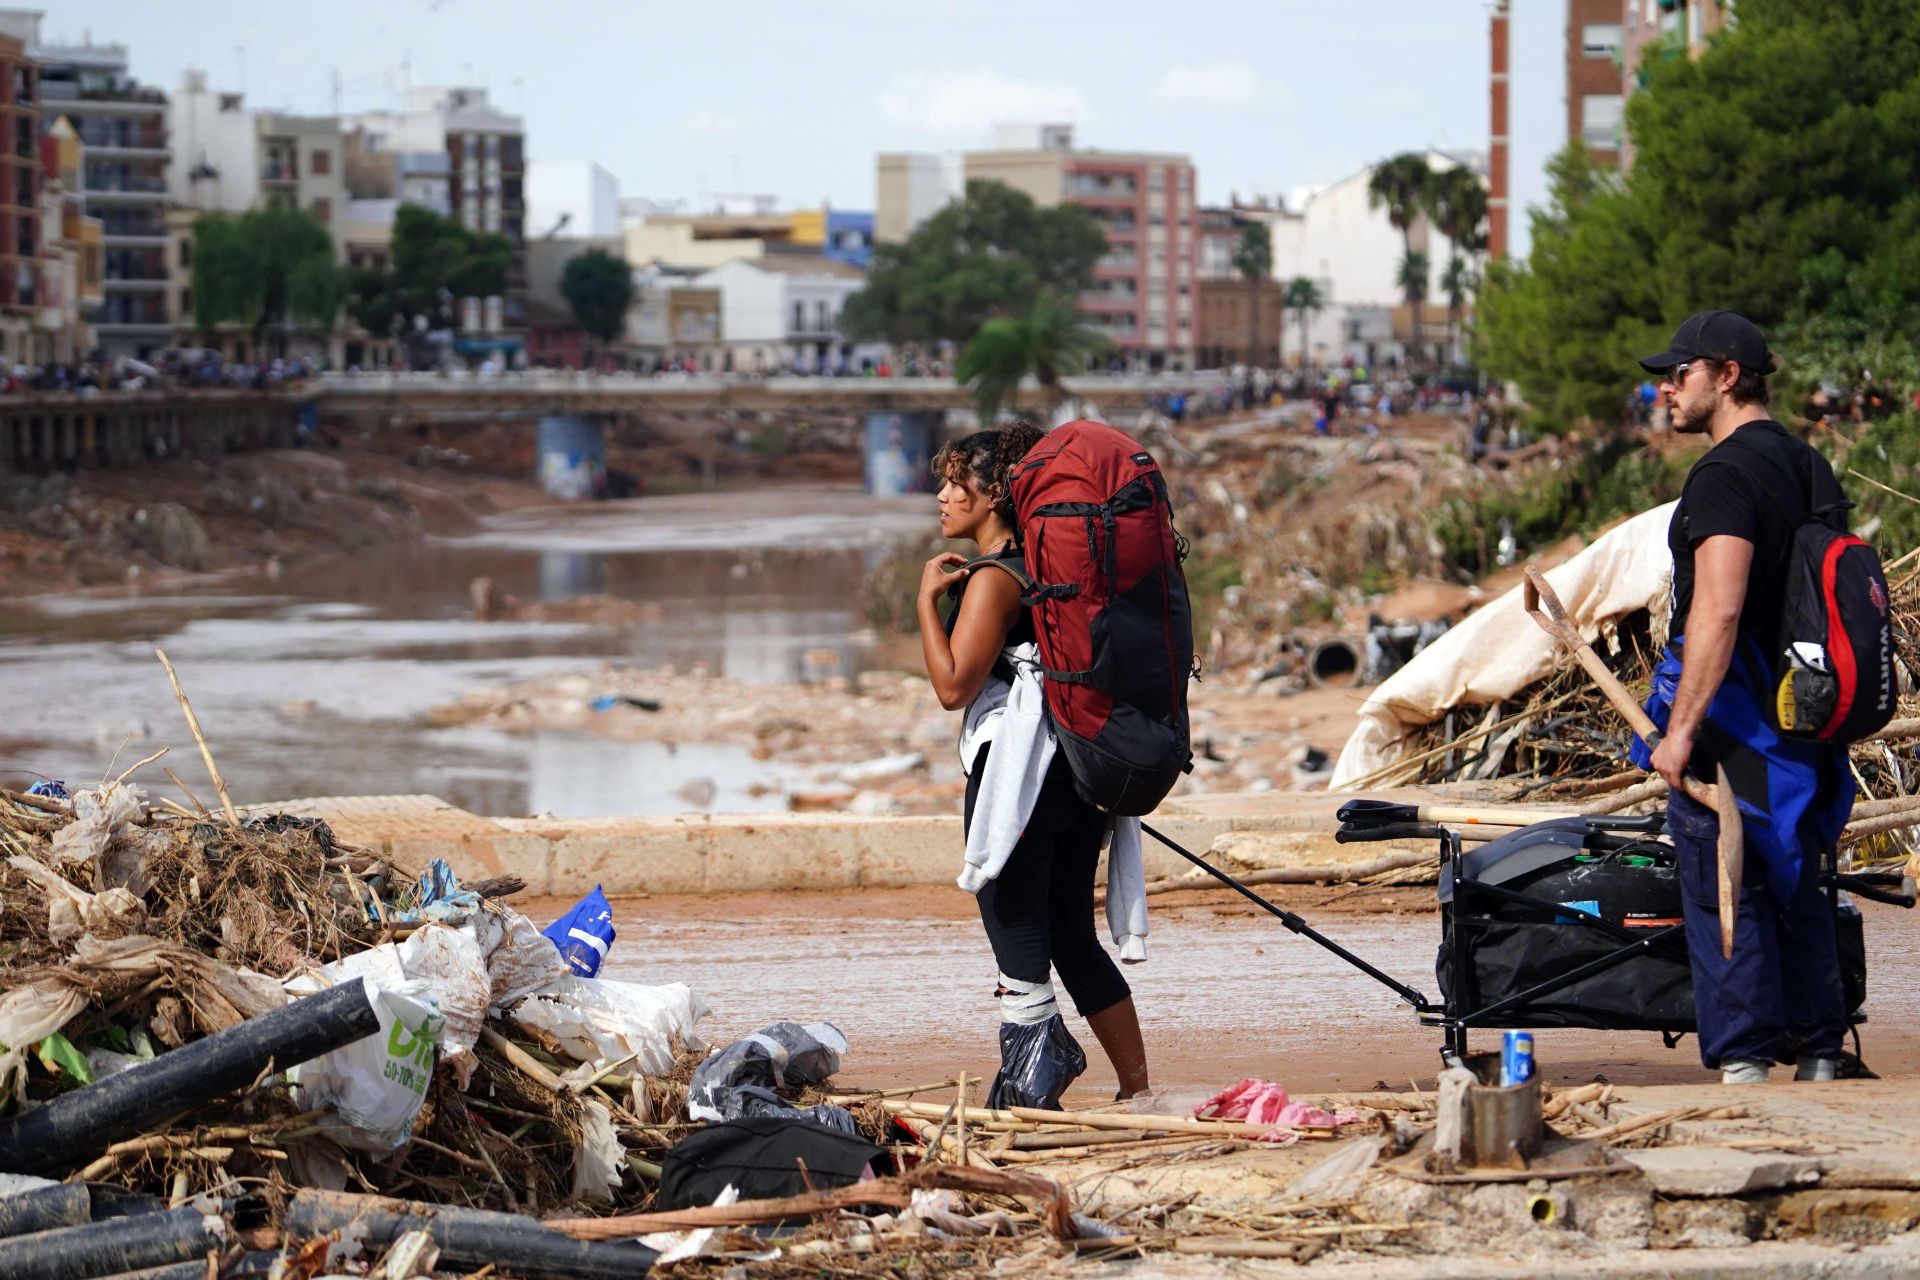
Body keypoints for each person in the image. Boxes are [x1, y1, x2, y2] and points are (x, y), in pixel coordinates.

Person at [1633, 310, 1855, 1085]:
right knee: (1800, 872)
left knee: (1726, 873)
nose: (1665, 388)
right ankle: (1821, 1050)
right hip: (1809, 711)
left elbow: (1719, 610)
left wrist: (1680, 730)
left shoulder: (1726, 475)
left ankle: (1746, 1066)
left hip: (1738, 720)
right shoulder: (1806, 464)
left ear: (1726, 376)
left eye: (1680, 373)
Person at [915, 424, 1151, 1103]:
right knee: (1071, 934)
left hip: (1020, 769)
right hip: (1074, 763)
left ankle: (1034, 1076)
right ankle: (1136, 1089)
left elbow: (954, 685)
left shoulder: (994, 577)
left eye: (956, 481)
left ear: (992, 494)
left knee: (1014, 921)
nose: (942, 494)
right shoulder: (1044, 566)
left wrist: (926, 604)